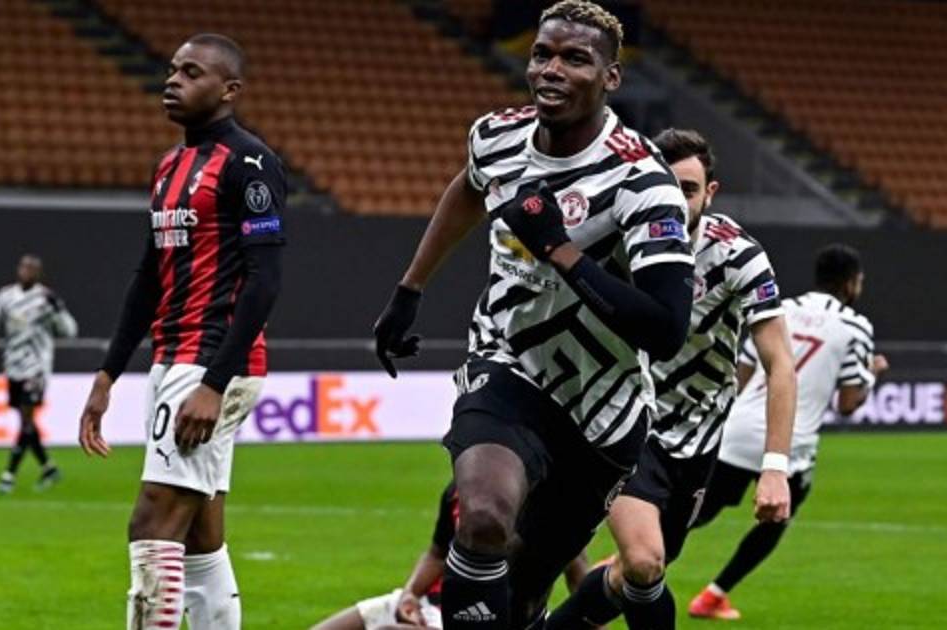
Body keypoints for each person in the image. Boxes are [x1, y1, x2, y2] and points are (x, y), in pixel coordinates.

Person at [371, 2, 695, 627]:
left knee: (522, 594)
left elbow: (665, 328)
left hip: (601, 408)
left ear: (611, 77)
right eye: (542, 54)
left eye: (575, 59)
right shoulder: (495, 136)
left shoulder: (641, 181)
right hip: (507, 363)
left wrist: (560, 250)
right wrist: (409, 289)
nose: (552, 69)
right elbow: (469, 186)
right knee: (483, 518)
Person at [546, 129, 797, 630]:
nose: (676, 201)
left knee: (633, 575)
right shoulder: (614, 240)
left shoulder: (738, 256)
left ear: (710, 193)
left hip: (699, 438)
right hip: (621, 415)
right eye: (667, 187)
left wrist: (774, 467)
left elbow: (781, 364)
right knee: (644, 560)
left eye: (688, 189)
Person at [76, 33, 286, 630]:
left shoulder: (249, 163)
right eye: (173, 70)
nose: (173, 80)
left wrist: (215, 382)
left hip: (209, 363)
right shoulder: (169, 166)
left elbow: (264, 281)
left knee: (151, 524)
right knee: (198, 537)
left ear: (229, 90)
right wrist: (108, 374)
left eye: (192, 73)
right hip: (174, 360)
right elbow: (149, 279)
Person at [687, 244, 888, 621]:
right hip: (789, 442)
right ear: (850, 283)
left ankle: (629, 558)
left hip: (738, 430)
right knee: (776, 519)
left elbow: (743, 373)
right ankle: (712, 597)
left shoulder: (781, 308)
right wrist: (872, 374)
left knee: (698, 512)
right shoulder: (856, 326)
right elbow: (848, 403)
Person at [311, 483, 596, 630]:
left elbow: (580, 577)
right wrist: (410, 594)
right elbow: (437, 554)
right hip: (432, 603)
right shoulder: (459, 489)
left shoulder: (545, 501)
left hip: (495, 616)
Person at [0, 254, 77, 494]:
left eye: (32, 268)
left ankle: (8, 475)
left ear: (39, 273)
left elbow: (69, 331)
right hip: (13, 366)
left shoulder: (45, 298)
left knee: (27, 418)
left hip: (37, 368)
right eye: (24, 267)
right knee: (26, 423)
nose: (26, 271)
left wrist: (58, 310)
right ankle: (49, 468)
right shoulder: (6, 296)